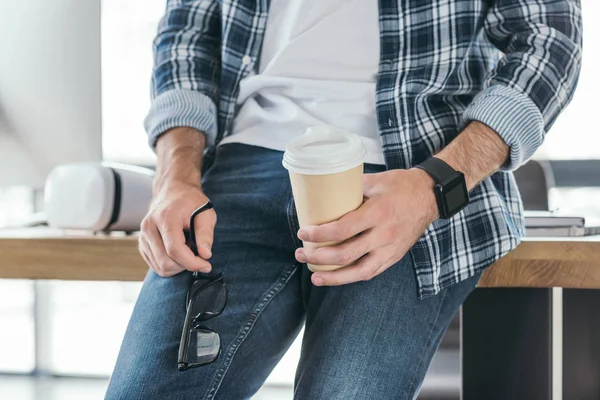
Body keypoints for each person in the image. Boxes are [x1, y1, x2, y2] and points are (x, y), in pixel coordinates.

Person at [105, 0, 582, 399]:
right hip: (232, 178)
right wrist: (175, 176)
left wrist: (434, 187)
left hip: (408, 175)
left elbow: (550, 39)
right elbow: (185, 37)